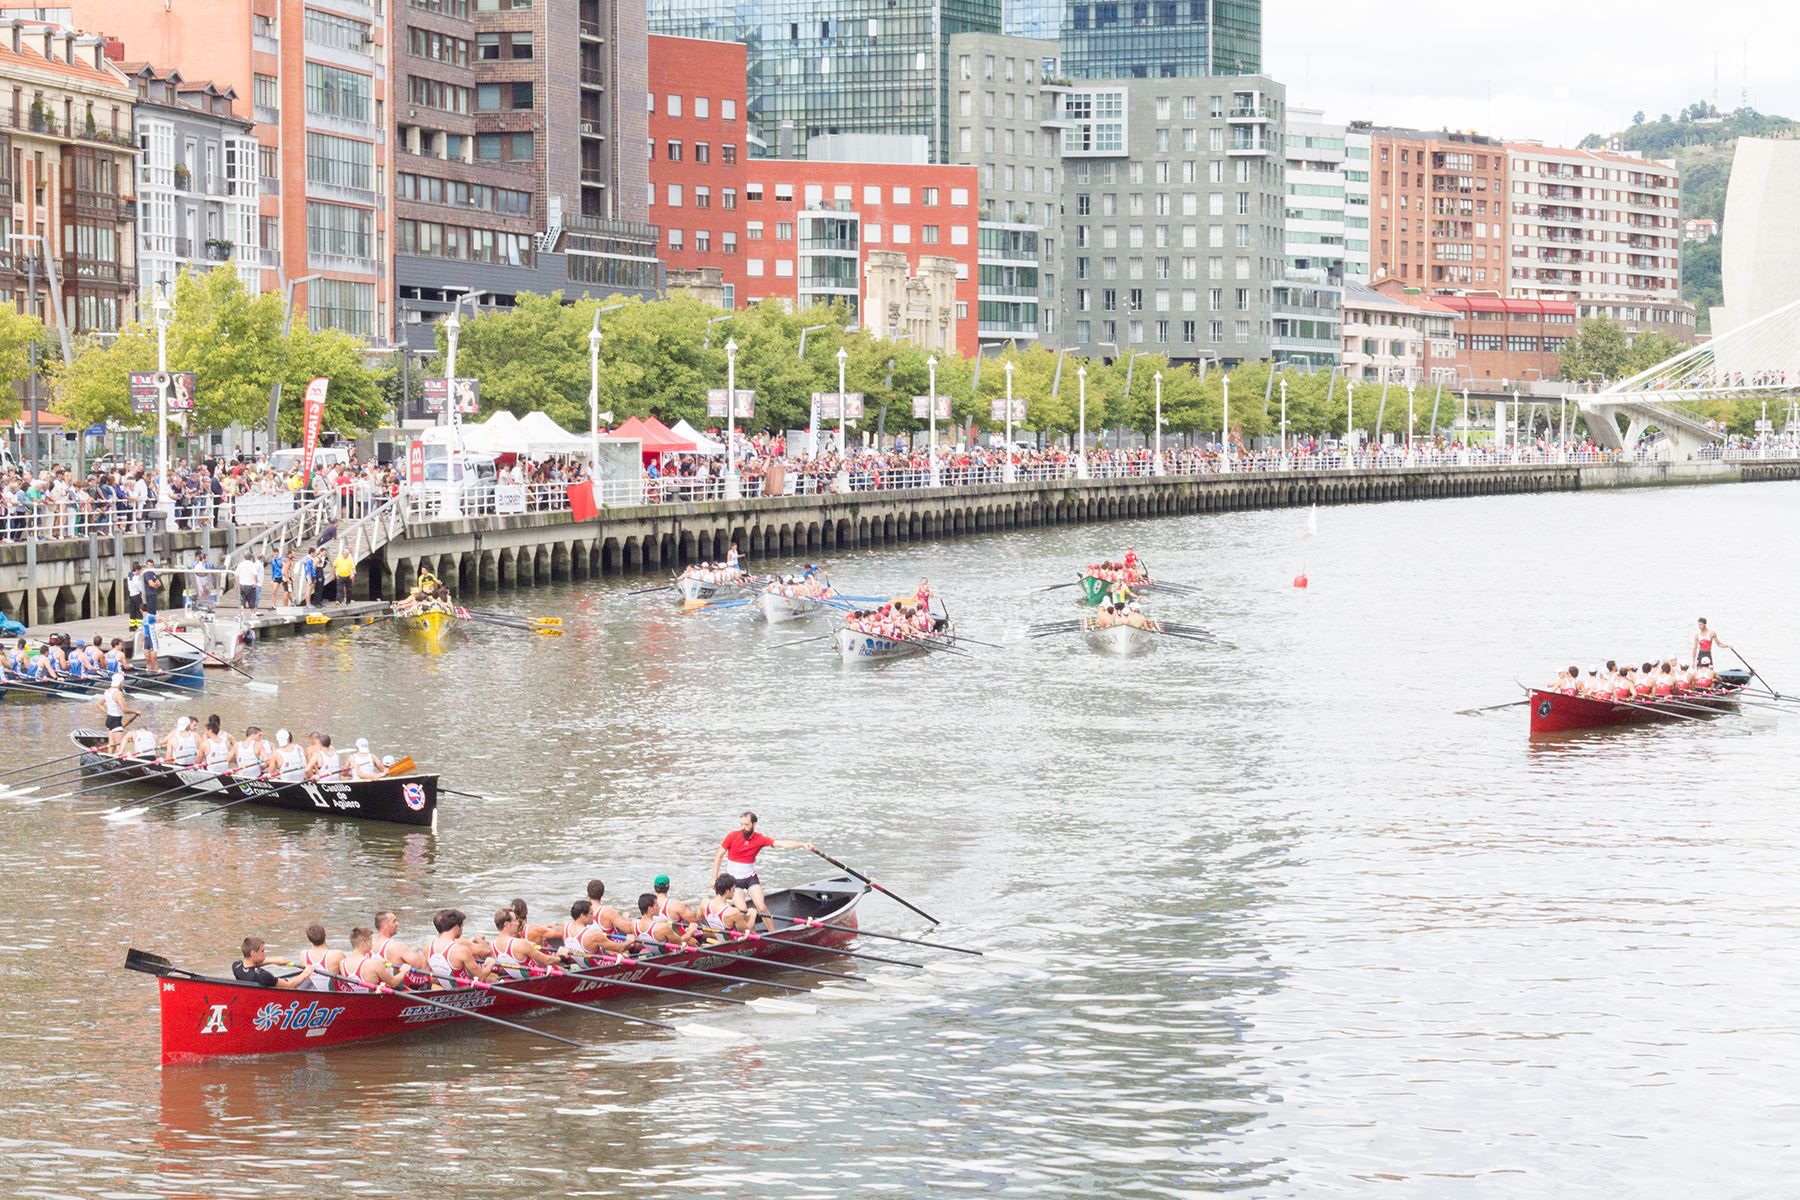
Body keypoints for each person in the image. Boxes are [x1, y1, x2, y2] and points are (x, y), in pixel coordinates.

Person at [709, 811, 816, 933]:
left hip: (750, 878)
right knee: (743, 910)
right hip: (734, 881)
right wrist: (714, 878)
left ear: (754, 824)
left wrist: (803, 844)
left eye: (746, 825)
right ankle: (752, 935)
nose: (743, 828)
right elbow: (718, 856)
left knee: (761, 907)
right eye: (741, 824)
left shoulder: (760, 839)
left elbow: (782, 843)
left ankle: (773, 934)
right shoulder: (732, 836)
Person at [423, 909, 493, 989]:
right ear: (456, 927)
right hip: (465, 991)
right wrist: (490, 963)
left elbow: (425, 975)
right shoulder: (461, 950)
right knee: (493, 980)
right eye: (462, 926)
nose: (462, 929)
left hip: (447, 989)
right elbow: (482, 976)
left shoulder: (427, 947)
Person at [490, 908, 562, 979]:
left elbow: (503, 969)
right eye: (515, 920)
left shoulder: (492, 945)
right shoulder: (521, 944)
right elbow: (547, 960)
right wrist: (562, 957)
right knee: (562, 969)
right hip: (539, 978)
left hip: (520, 979)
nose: (518, 923)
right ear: (507, 924)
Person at [341, 926, 407, 992]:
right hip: (373, 1000)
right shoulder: (375, 964)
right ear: (363, 943)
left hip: (355, 999)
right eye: (370, 942)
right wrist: (404, 970)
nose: (372, 945)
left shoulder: (342, 963)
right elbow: (394, 983)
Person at [234, 936, 316, 989]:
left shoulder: (236, 966)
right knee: (309, 980)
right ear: (253, 953)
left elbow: (251, 964)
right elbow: (290, 985)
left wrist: (273, 961)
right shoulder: (262, 975)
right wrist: (306, 972)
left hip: (254, 995)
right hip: (281, 998)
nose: (264, 954)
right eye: (262, 951)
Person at [372, 911, 430, 987]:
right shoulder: (397, 946)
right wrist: (423, 952)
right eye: (394, 921)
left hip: (380, 986)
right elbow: (419, 965)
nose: (397, 924)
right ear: (385, 925)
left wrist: (409, 951)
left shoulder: (370, 944)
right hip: (397, 988)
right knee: (427, 956)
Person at [94, 672, 137, 747]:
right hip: (116, 721)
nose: (123, 684)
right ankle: (118, 757)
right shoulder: (118, 693)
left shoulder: (107, 691)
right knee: (119, 745)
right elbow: (124, 710)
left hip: (109, 719)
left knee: (111, 745)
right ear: (120, 682)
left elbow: (99, 704)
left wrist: (108, 712)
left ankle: (110, 755)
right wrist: (135, 711)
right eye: (122, 683)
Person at [299, 922, 346, 991]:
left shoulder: (303, 955)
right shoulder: (337, 954)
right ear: (325, 934)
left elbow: (307, 979)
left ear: (309, 939)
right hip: (335, 995)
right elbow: (347, 977)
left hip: (317, 993)